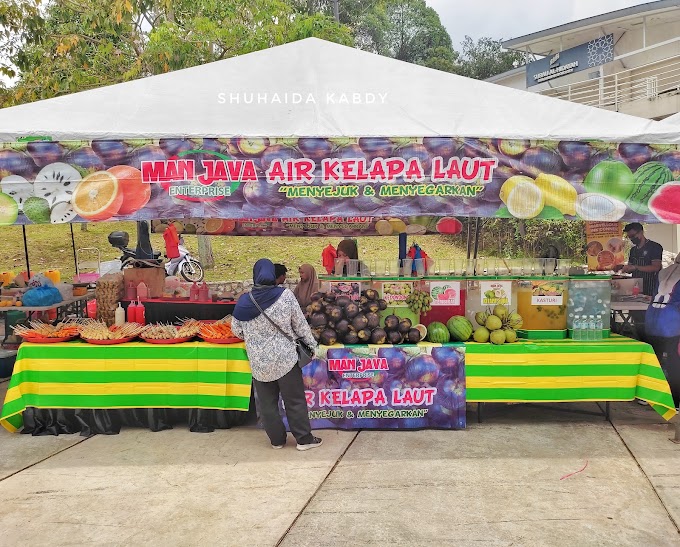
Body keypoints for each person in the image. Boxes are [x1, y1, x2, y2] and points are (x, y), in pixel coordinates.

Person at [231, 259, 322, 451]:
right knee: (294, 400)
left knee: (267, 405)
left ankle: (277, 440)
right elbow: (299, 325)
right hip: (285, 360)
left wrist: (255, 338)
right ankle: (303, 440)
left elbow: (236, 330)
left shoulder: (245, 301)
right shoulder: (286, 296)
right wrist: (312, 345)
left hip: (259, 363)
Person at [645, 253, 680, 408]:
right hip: (671, 323)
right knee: (674, 361)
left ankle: (648, 396)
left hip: (653, 318)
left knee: (654, 359)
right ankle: (675, 400)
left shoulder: (664, 272)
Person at [613, 223, 663, 297]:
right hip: (636, 288)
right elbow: (630, 269)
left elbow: (656, 267)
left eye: (633, 236)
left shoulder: (654, 247)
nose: (631, 239)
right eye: (629, 237)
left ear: (641, 232)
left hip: (651, 288)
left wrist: (636, 267)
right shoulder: (633, 250)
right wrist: (622, 267)